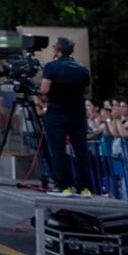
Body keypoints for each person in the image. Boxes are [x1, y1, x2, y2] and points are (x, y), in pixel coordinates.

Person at [39, 37, 93, 196]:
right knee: (81, 150)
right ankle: (84, 188)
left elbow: (44, 90)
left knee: (58, 150)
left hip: (57, 112)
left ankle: (64, 186)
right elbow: (86, 90)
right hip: (77, 112)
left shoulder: (51, 67)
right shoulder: (82, 68)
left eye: (54, 47)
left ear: (58, 50)